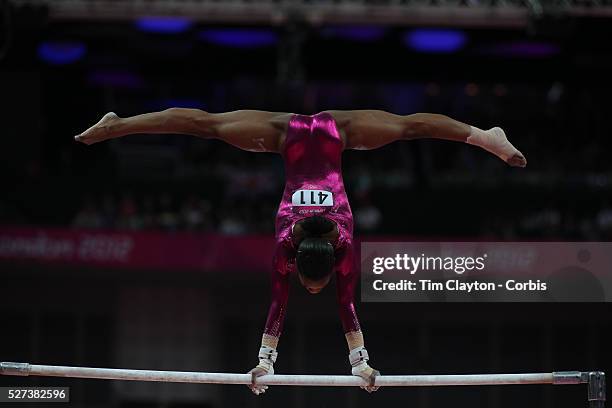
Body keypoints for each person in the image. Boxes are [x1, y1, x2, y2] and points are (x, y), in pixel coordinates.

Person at [75, 109, 526, 394]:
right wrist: (281, 362)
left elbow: (335, 303)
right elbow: (292, 301)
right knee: (208, 126)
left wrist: (278, 363)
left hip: (318, 131)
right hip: (301, 133)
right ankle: (482, 135)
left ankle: (121, 126)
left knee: (205, 125)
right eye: (316, 285)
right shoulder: (289, 244)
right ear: (310, 264)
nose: (316, 290)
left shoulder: (342, 242)